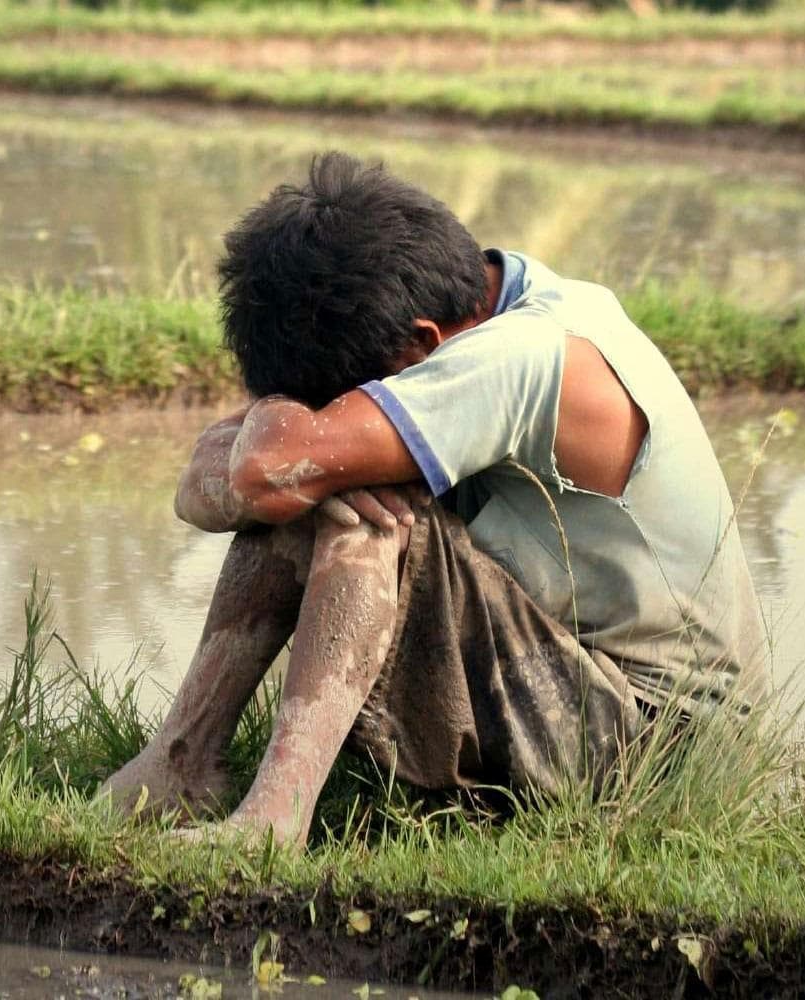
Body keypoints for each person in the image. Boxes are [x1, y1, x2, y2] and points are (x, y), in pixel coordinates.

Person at [99, 152, 768, 847]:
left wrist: (306, 451)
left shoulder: (520, 355)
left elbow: (264, 471)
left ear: (423, 344)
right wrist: (302, 436)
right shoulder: (485, 301)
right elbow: (208, 489)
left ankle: (274, 822)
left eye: (359, 393)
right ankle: (178, 765)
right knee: (329, 475)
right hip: (583, 689)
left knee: (350, 506)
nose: (350, 409)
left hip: (659, 747)